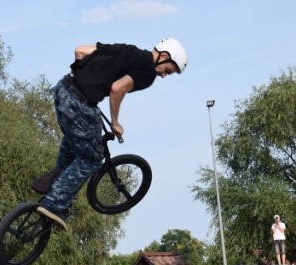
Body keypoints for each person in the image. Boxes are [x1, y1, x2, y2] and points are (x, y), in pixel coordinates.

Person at [31, 38, 188, 229]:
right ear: (163, 56)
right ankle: (54, 203)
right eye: (168, 71)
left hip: (62, 89)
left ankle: (57, 177)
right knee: (91, 159)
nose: (164, 76)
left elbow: (80, 51)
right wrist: (115, 123)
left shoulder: (126, 49)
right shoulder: (147, 73)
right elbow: (117, 88)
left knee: (76, 137)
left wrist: (86, 78)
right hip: (80, 103)